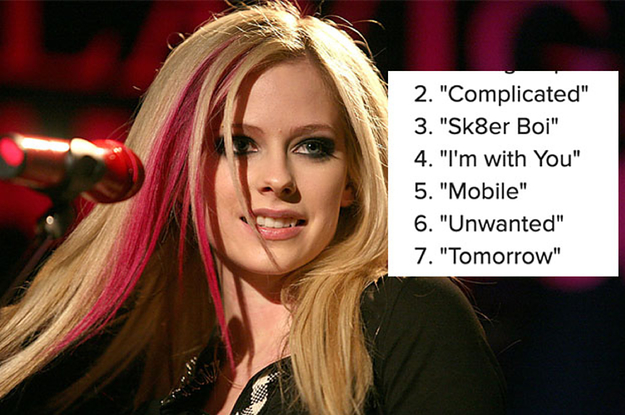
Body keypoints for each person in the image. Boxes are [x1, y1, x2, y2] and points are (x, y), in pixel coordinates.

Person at [0, 1, 506, 414]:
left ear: (352, 180)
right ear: (182, 171)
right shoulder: (161, 378)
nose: (277, 180)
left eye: (312, 147)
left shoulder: (406, 315)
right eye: (238, 144)